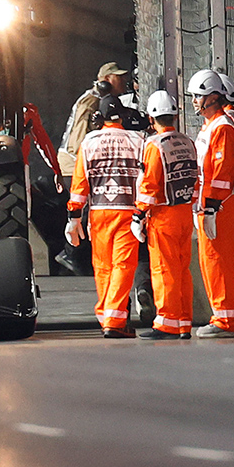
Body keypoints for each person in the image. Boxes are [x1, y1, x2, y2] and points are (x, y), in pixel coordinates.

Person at [188, 68, 234, 338]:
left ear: (214, 97)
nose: (194, 101)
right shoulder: (217, 126)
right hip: (220, 204)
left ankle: (225, 320)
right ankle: (232, 317)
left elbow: (222, 170)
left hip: (220, 206)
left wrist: (210, 206)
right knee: (221, 261)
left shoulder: (223, 127)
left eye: (198, 96)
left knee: (218, 261)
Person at [67, 94, 145, 337]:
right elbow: (146, 178)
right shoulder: (137, 140)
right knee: (123, 264)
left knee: (102, 266)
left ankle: (107, 317)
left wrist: (73, 218)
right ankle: (114, 319)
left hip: (99, 213)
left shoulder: (89, 142)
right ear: (122, 116)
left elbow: (79, 184)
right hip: (128, 212)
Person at [132, 90, 199, 339]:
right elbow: (195, 178)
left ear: (151, 118)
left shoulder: (153, 145)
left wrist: (139, 214)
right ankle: (183, 322)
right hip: (183, 213)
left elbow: (149, 185)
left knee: (163, 269)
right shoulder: (187, 142)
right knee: (183, 270)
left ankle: (167, 324)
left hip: (163, 216)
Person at [61, 61, 131, 174]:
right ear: (107, 79)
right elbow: (77, 142)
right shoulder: (90, 103)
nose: (124, 81)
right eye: (119, 77)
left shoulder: (103, 100)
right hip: (73, 165)